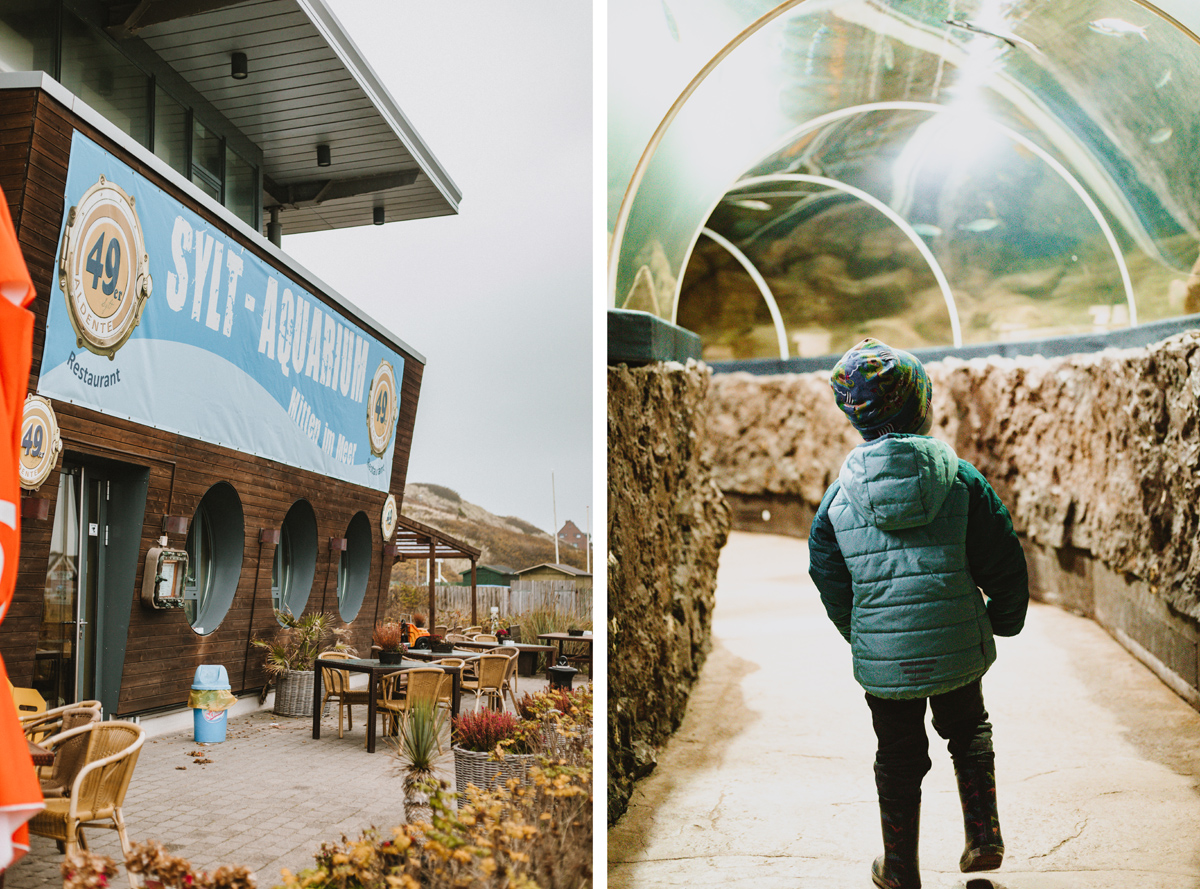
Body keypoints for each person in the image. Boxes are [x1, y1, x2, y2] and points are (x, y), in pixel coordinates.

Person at [807, 338, 1029, 889]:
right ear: (923, 407)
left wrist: (860, 633)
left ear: (856, 418)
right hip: (956, 646)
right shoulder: (960, 480)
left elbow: (829, 575)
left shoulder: (837, 500)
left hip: (886, 656)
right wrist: (1004, 616)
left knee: (899, 754)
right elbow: (1001, 554)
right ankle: (983, 834)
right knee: (968, 730)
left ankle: (900, 865)